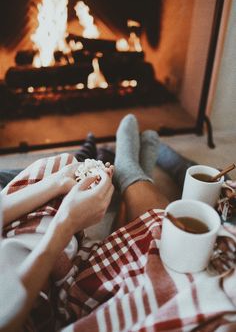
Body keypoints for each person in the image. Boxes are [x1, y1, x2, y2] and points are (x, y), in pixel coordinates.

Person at [0, 114, 236, 331]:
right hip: (41, 283)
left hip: (20, 241)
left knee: (59, 167)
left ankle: (128, 172)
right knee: (167, 241)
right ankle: (132, 172)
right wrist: (66, 223)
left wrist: (57, 183)